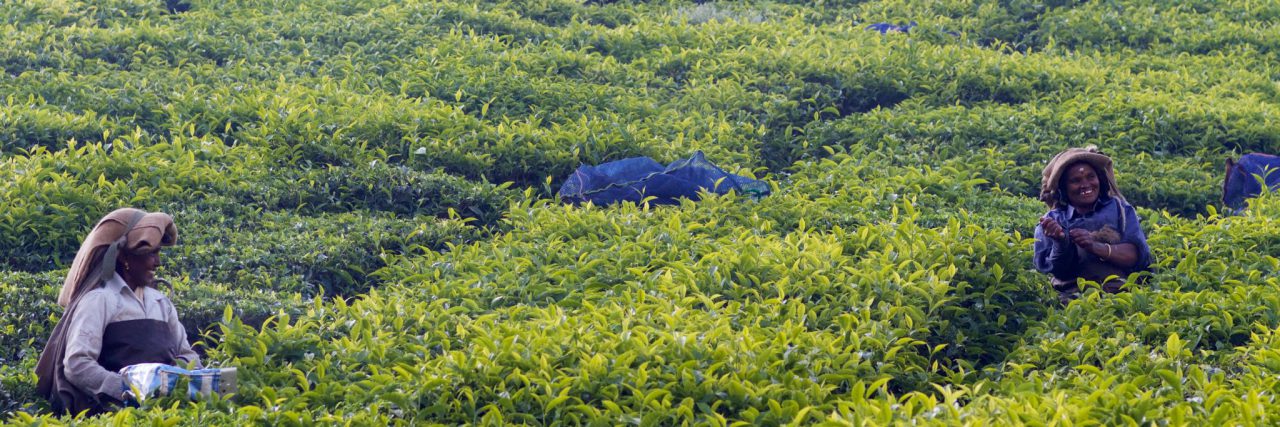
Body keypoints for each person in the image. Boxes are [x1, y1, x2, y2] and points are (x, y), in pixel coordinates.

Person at [35, 208, 200, 416]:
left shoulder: (161, 303)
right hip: (115, 413)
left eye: (158, 253)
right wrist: (123, 388)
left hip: (166, 411)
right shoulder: (100, 300)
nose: (157, 262)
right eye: (151, 253)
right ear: (124, 258)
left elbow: (187, 353)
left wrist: (176, 376)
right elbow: (77, 363)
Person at [1034, 147, 1152, 305]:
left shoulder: (1120, 209)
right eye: (1075, 181)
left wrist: (1095, 246)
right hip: (1072, 299)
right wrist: (1061, 242)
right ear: (1064, 188)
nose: (1085, 184)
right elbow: (1059, 271)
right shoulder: (1052, 220)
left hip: (1120, 296)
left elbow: (1135, 256)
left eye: (1091, 177)